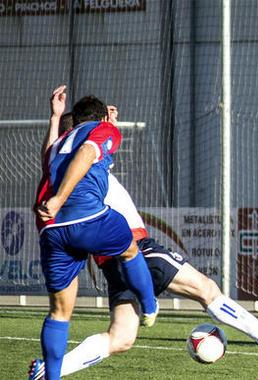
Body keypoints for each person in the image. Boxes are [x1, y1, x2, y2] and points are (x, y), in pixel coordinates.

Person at [28, 100, 258, 379]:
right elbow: (92, 146)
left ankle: (50, 370)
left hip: (110, 263)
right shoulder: (89, 166)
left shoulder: (60, 169)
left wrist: (55, 118)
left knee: (120, 338)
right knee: (207, 290)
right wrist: (104, 123)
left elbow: (52, 154)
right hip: (138, 252)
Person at [33, 87, 159, 380]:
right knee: (130, 246)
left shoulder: (61, 140)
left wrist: (54, 118)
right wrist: (60, 198)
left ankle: (50, 377)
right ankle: (150, 305)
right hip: (86, 216)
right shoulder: (102, 131)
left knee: (59, 312)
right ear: (102, 118)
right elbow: (90, 152)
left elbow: (48, 159)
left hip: (51, 229)